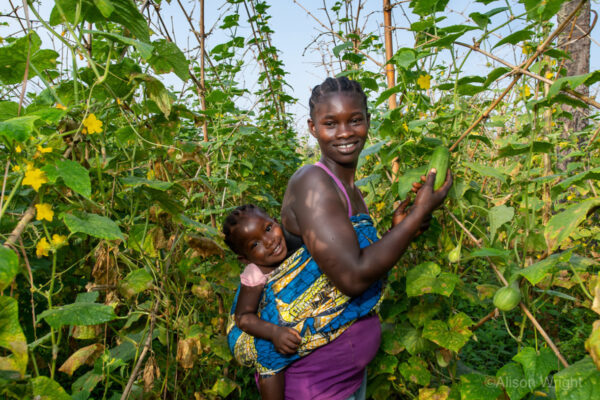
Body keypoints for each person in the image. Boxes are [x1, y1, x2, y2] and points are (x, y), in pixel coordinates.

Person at [276, 76, 453, 399]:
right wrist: (413, 221)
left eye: (354, 120)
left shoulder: (352, 192)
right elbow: (352, 278)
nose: (344, 132)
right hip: (313, 381)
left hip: (343, 377)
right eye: (331, 123)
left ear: (368, 122)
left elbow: (361, 261)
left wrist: (401, 227)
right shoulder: (313, 182)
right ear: (313, 128)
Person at [223, 202, 412, 400]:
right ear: (244, 259)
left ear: (276, 222)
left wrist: (396, 232)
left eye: (268, 229)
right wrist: (274, 333)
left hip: (349, 380)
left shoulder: (299, 247)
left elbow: (362, 262)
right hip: (277, 345)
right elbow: (243, 317)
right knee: (269, 365)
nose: (269, 241)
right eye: (255, 245)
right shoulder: (255, 274)